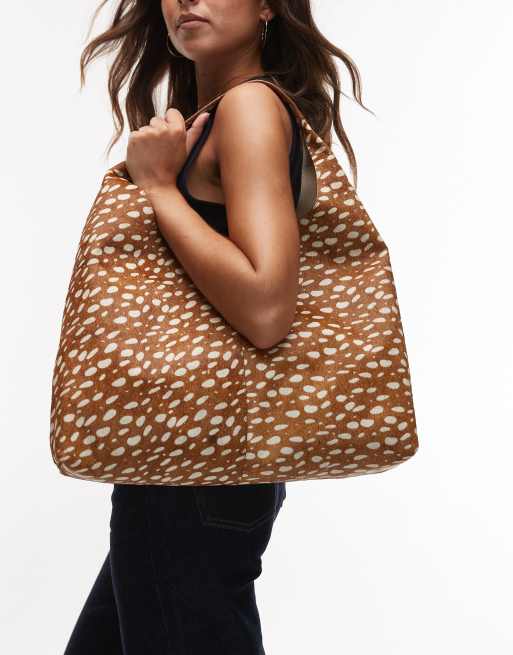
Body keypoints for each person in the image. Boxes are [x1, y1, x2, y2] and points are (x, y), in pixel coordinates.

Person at [64, 1, 369, 653]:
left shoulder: (248, 109)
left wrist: (160, 189)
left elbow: (266, 309)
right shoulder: (215, 114)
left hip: (196, 469)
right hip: (187, 461)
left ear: (267, 7)